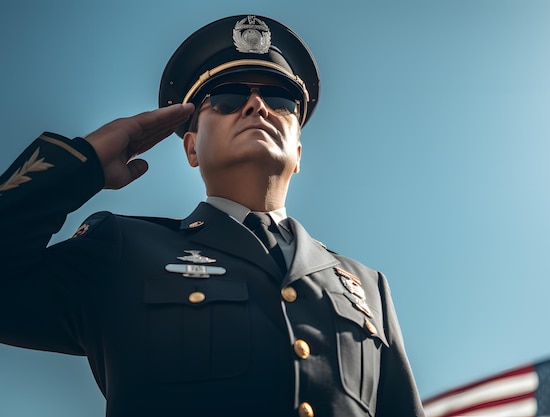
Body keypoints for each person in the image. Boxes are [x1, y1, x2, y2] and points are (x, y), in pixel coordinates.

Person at [0, 14, 424, 417]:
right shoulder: (123, 249)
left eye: (280, 100)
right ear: (190, 147)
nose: (257, 106)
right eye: (227, 98)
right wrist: (84, 161)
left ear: (298, 152)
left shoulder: (366, 287)